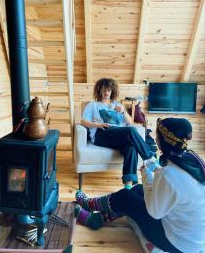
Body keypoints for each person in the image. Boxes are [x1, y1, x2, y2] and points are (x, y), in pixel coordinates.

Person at [75, 117, 205, 253]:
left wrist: (146, 175)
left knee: (125, 196)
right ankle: (99, 219)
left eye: (157, 135)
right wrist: (156, 171)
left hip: (176, 243)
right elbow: (177, 184)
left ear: (163, 140)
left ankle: (89, 204)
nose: (155, 139)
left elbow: (154, 212)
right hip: (194, 238)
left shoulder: (169, 174)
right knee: (136, 189)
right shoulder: (193, 159)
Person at [81, 77, 155, 188]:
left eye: (109, 90)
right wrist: (97, 125)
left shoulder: (118, 106)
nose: (106, 92)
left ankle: (128, 185)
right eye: (104, 89)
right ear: (99, 90)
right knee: (130, 131)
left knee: (131, 147)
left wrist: (124, 111)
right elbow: (83, 121)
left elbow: (130, 123)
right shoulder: (93, 105)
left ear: (112, 91)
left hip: (119, 134)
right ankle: (150, 159)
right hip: (102, 133)